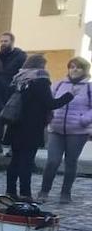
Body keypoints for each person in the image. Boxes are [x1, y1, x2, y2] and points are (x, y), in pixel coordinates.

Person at [5, 55, 74, 200]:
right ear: (41, 66)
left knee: (15, 160)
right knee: (26, 161)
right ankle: (25, 193)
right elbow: (50, 103)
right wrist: (69, 95)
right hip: (32, 126)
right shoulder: (40, 79)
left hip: (15, 124)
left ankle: (10, 191)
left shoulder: (18, 78)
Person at [39, 57, 92, 203]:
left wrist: (84, 120)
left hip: (77, 131)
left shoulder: (88, 88)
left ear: (84, 70)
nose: (74, 70)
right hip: (56, 129)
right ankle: (44, 191)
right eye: (72, 67)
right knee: (52, 161)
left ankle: (65, 193)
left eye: (78, 67)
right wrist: (51, 117)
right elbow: (50, 102)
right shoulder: (59, 84)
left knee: (71, 162)